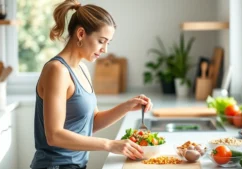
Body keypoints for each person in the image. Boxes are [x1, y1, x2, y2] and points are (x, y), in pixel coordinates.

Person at [30, 1, 153, 169]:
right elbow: (54, 135)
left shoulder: (82, 69)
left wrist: (128, 106)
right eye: (101, 41)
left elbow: (90, 123)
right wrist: (109, 144)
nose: (105, 49)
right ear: (81, 33)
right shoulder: (57, 71)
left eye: (108, 42)